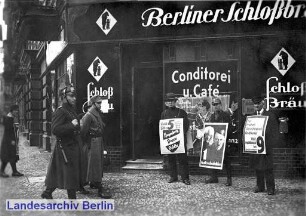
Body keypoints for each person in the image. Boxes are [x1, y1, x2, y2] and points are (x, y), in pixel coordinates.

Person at [41, 85, 82, 199]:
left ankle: (48, 192)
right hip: (65, 148)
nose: (74, 98)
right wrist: (71, 125)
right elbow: (55, 130)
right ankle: (72, 200)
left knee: (59, 172)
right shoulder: (61, 111)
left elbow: (74, 126)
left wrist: (78, 125)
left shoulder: (71, 111)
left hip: (72, 146)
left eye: (75, 96)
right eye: (71, 96)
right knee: (70, 174)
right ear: (65, 97)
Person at [81, 95, 111, 198]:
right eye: (98, 103)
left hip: (98, 141)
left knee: (98, 163)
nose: (100, 105)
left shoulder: (97, 114)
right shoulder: (89, 115)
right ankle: (99, 188)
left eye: (100, 103)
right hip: (93, 142)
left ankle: (94, 182)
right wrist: (87, 143)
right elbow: (83, 131)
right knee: (94, 164)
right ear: (93, 104)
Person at [249, 96, 278, 195]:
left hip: (267, 146)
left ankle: (270, 188)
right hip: (257, 146)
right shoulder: (252, 116)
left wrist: (269, 144)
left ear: (262, 103)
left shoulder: (270, 115)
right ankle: (260, 186)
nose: (256, 105)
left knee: (268, 167)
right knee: (258, 166)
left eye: (258, 103)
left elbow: (274, 132)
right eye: (254, 104)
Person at [161, 93, 190, 185]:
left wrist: (180, 135)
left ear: (175, 102)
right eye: (168, 101)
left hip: (180, 140)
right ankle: (173, 176)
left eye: (172, 101)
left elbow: (186, 125)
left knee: (183, 159)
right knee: (171, 159)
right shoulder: (164, 113)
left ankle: (185, 178)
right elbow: (163, 127)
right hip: (169, 140)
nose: (170, 103)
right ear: (166, 103)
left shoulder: (181, 112)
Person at [205, 97, 232, 186]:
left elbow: (230, 128)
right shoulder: (212, 116)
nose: (215, 106)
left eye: (217, 104)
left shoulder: (226, 115)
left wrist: (225, 137)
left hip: (223, 141)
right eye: (214, 105)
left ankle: (229, 178)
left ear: (220, 105)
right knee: (213, 158)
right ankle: (214, 177)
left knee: (226, 161)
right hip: (215, 141)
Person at [0, 105, 24, 177]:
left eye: (17, 110)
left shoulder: (11, 118)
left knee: (12, 155)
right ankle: (2, 171)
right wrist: (12, 141)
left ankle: (14, 171)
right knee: (7, 156)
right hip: (8, 141)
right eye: (15, 110)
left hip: (10, 140)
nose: (17, 112)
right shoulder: (9, 118)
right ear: (12, 111)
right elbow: (8, 131)